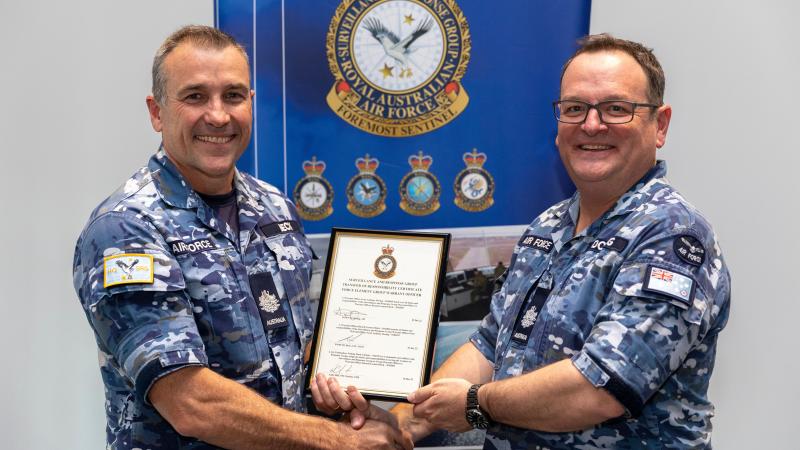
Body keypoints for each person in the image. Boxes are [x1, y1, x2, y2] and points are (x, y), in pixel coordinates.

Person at [319, 34, 732, 449]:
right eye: (575, 109)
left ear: (659, 125)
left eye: (616, 109)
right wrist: (401, 425)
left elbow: (600, 387)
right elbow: (488, 347)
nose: (591, 124)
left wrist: (474, 405)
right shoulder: (546, 228)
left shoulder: (672, 234)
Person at [72, 25, 410, 450]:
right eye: (195, 96)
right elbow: (189, 401)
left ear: (251, 104)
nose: (218, 115)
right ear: (157, 111)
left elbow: (293, 349)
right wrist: (341, 441)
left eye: (233, 96)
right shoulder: (127, 229)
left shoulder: (275, 208)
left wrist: (336, 393)